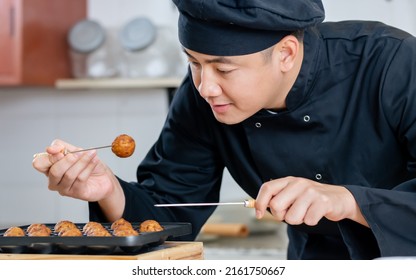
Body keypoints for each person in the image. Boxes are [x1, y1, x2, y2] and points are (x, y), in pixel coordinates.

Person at [32, 0, 416, 259]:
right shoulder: (204, 98)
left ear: (285, 54)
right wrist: (109, 190)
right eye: (193, 63)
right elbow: (169, 215)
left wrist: (347, 201)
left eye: (224, 69)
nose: (205, 86)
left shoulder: (392, 64)